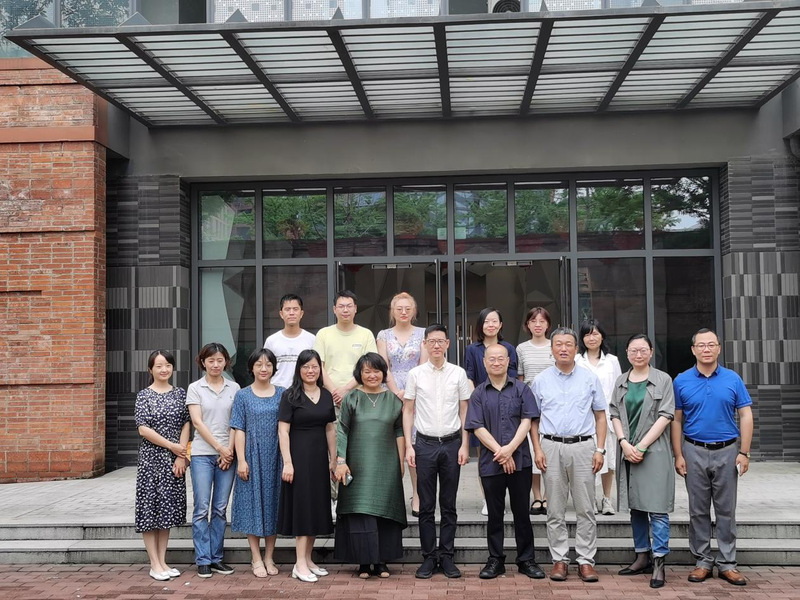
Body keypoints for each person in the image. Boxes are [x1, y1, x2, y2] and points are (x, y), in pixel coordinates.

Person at [672, 328, 753, 587]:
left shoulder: (732, 379)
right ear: (693, 349)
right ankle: (703, 562)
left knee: (726, 510)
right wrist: (678, 454)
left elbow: (746, 415)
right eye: (701, 345)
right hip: (693, 450)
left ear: (718, 348)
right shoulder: (681, 381)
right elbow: (676, 420)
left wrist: (744, 452)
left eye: (711, 345)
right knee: (698, 510)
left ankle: (728, 563)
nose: (706, 349)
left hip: (728, 451)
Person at [530, 327, 607, 583]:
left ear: (576, 348)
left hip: (583, 446)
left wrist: (600, 449)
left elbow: (600, 416)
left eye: (568, 344)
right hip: (551, 446)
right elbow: (533, 420)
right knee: (555, 509)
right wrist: (537, 449)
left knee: (586, 508)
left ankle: (585, 561)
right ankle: (560, 560)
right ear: (552, 349)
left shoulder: (589, 378)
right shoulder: (540, 380)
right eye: (558, 344)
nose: (563, 348)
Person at [466, 344, 545, 580]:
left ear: (508, 361)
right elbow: (477, 427)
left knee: (522, 513)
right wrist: (501, 452)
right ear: (484, 362)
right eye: (492, 359)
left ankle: (526, 560)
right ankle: (495, 560)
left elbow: (527, 421)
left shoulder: (521, 389)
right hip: (491, 462)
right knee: (494, 514)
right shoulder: (478, 393)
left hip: (520, 461)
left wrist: (509, 450)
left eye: (501, 358)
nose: (496, 362)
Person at [403, 324, 471, 579]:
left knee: (449, 504)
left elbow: (464, 411)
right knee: (426, 505)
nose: (436, 345)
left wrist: (465, 444)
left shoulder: (458, 373)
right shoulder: (416, 374)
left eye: (440, 341)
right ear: (425, 344)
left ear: (448, 344)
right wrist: (409, 445)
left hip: (452, 443)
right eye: (431, 341)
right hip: (425, 444)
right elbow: (408, 410)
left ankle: (447, 555)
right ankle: (429, 557)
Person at [609, 334, 675, 589]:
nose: (638, 354)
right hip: (627, 449)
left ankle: (659, 561)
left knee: (657, 507)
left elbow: (666, 415)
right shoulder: (621, 381)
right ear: (627, 353)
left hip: (654, 451)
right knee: (635, 506)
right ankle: (641, 556)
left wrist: (641, 446)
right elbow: (614, 413)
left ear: (651, 352)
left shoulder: (663, 380)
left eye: (643, 350)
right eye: (633, 350)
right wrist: (624, 443)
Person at [334, 353, 407, 579]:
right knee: (360, 511)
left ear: (384, 373)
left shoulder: (394, 400)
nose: (372, 375)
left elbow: (399, 432)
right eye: (367, 371)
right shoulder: (351, 398)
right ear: (360, 374)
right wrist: (340, 460)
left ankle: (382, 562)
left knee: (385, 510)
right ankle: (364, 562)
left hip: (387, 463)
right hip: (357, 464)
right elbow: (342, 430)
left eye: (376, 371)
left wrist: (401, 462)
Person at [277, 349, 337, 583]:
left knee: (316, 508)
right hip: (299, 459)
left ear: (320, 369)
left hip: (319, 459)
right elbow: (283, 431)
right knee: (303, 510)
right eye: (306, 367)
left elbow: (330, 429)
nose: (311, 371)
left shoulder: (326, 395)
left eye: (314, 367)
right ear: (299, 369)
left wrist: (334, 459)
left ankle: (308, 559)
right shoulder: (290, 395)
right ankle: (299, 563)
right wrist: (288, 462)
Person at [135, 350, 191, 581]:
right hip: (151, 461)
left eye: (167, 365)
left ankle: (163, 560)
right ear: (150, 369)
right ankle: (154, 563)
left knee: (166, 511)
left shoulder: (180, 393)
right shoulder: (144, 395)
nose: (164, 369)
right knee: (150, 510)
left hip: (174, 460)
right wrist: (171, 446)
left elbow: (186, 423)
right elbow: (143, 429)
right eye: (158, 366)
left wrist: (181, 455)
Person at [186, 342, 239, 578]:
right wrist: (220, 448)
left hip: (227, 454)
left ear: (226, 362)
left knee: (219, 508)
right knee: (201, 508)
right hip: (201, 455)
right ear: (203, 362)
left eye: (220, 360)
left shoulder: (234, 388)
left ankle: (216, 558)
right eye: (211, 360)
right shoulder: (195, 388)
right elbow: (197, 422)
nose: (215, 364)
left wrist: (229, 451)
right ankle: (203, 560)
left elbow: (236, 422)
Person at [230, 349, 284, 578]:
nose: (264, 369)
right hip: (251, 456)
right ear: (251, 368)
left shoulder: (283, 393)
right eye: (259, 364)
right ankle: (255, 557)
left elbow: (286, 428)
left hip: (276, 456)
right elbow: (239, 429)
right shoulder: (242, 395)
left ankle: (269, 556)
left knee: (273, 504)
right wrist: (241, 460)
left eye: (268, 364)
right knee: (251, 505)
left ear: (273, 368)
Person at [377, 292, 427, 517]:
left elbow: (423, 364)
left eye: (408, 308)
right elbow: (383, 366)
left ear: (414, 310)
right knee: (392, 447)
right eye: (399, 309)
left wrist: (410, 392)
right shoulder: (383, 335)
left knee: (414, 445)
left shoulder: (423, 334)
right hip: (390, 392)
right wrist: (396, 390)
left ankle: (417, 494)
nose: (404, 312)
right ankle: (390, 496)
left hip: (417, 393)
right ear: (393, 311)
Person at [464, 307, 518, 516]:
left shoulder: (508, 348)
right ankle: (488, 498)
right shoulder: (472, 349)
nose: (491, 325)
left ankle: (508, 496)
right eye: (486, 321)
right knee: (484, 455)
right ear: (481, 325)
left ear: (501, 324)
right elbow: (469, 375)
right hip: (482, 404)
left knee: (507, 447)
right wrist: (477, 399)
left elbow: (513, 376)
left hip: (507, 404)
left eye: (494, 321)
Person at [576, 319, 622, 516]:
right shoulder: (577, 361)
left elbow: (619, 389)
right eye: (587, 334)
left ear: (602, 336)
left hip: (608, 418)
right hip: (584, 418)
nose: (591, 338)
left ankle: (607, 498)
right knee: (588, 461)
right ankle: (591, 499)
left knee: (608, 460)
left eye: (595, 334)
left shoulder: (612, 361)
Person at [516, 306, 554, 516]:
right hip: (530, 404)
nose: (538, 325)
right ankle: (537, 496)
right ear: (527, 325)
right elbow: (521, 379)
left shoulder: (555, 345)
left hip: (553, 404)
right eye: (533, 321)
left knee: (549, 450)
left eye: (542, 321)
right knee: (532, 451)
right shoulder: (521, 349)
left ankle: (549, 496)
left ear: (548, 325)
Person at [314, 290, 378, 408]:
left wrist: (347, 389)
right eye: (341, 306)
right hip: (328, 397)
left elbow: (370, 366)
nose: (345, 310)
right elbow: (318, 366)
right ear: (334, 309)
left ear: (355, 308)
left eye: (349, 306)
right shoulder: (323, 334)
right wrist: (335, 393)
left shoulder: (366, 334)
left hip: (360, 397)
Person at [263, 293, 316, 390]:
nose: (291, 313)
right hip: (276, 392)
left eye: (295, 309)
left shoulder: (312, 339)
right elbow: (265, 369)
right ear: (281, 314)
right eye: (287, 309)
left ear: (301, 313)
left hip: (304, 391)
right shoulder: (271, 341)